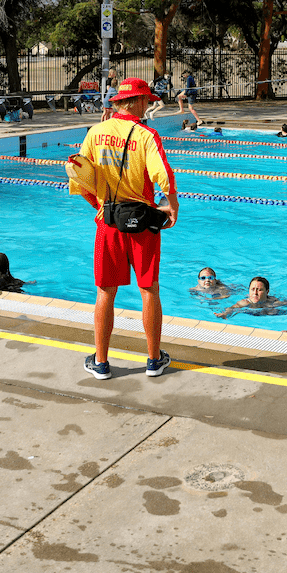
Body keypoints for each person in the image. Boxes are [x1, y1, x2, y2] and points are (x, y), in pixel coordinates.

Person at [67, 76, 178, 381]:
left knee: (105, 291)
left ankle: (101, 363)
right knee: (149, 290)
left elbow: (79, 176)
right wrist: (172, 207)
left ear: (118, 103)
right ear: (138, 102)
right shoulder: (146, 135)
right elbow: (163, 176)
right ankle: (154, 360)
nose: (150, 104)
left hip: (108, 222)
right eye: (148, 100)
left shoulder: (96, 132)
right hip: (142, 224)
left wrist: (100, 207)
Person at [216, 276, 287, 318]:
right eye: (252, 289)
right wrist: (225, 314)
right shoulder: (245, 302)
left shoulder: (274, 303)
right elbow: (232, 308)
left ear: (267, 292)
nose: (255, 293)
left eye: (259, 290)